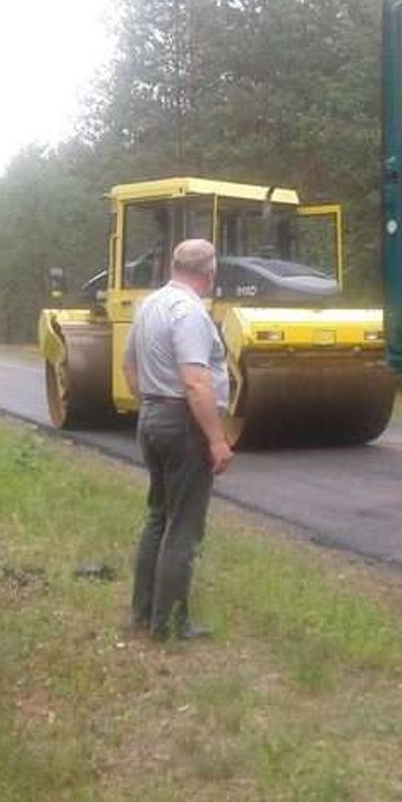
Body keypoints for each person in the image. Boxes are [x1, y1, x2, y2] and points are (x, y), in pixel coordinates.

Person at [122, 238, 234, 640]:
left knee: (158, 516)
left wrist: (151, 406)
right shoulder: (188, 312)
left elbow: (128, 367)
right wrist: (217, 440)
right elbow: (195, 381)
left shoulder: (149, 305)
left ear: (173, 265)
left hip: (152, 414)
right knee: (184, 525)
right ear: (210, 272)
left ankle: (143, 613)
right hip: (181, 422)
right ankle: (168, 624)